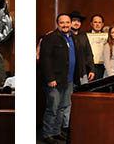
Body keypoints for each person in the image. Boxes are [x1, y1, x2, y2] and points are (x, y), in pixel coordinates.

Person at [40, 13, 94, 143]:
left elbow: (79, 58)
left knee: (62, 107)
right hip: (54, 81)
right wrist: (50, 79)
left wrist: (79, 75)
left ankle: (56, 132)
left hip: (69, 80)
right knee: (53, 108)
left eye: (67, 22)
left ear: (70, 24)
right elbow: (45, 60)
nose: (65, 25)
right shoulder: (50, 38)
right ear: (57, 24)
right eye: (62, 23)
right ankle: (47, 134)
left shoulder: (74, 38)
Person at [69, 11, 96, 82]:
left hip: (83, 72)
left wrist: (91, 70)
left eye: (78, 21)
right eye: (74, 21)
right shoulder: (66, 36)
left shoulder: (83, 35)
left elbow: (89, 54)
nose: (76, 23)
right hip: (70, 73)